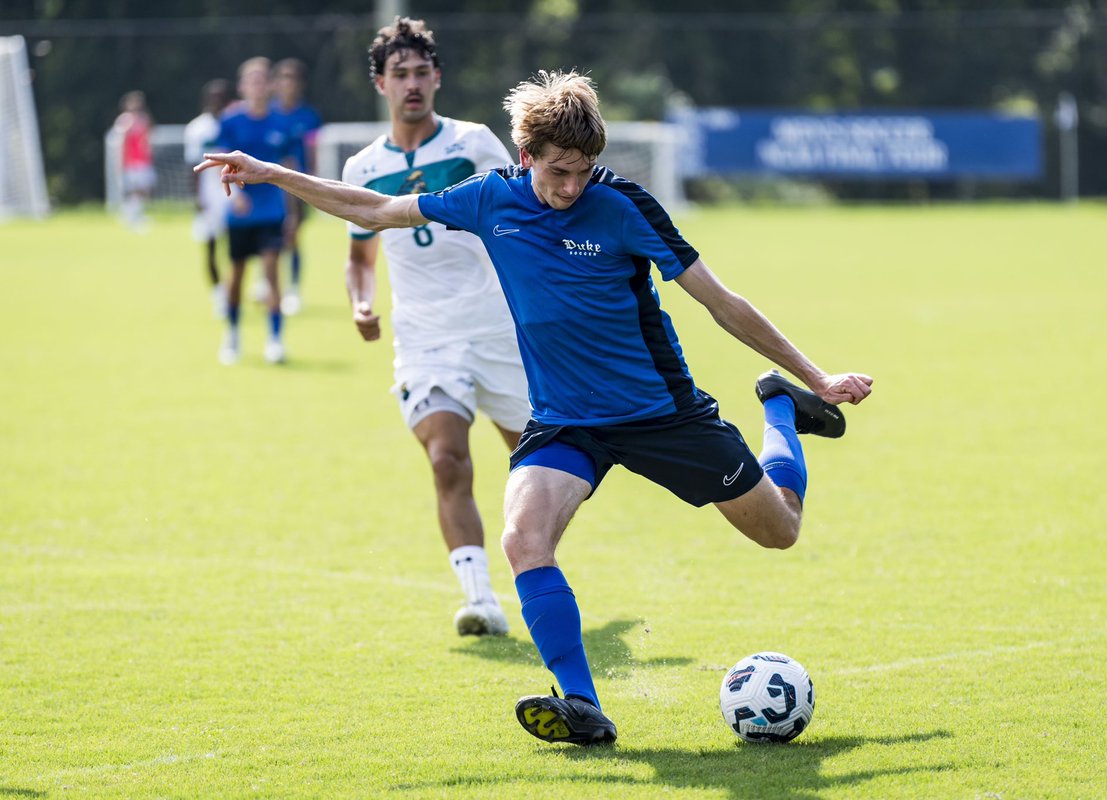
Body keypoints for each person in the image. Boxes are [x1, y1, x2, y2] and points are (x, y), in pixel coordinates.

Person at [196, 70, 873, 746]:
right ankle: (581, 705)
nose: (571, 186)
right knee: (523, 539)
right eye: (557, 171)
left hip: (661, 415)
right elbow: (375, 210)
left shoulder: (624, 206)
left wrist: (815, 374)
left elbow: (722, 303)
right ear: (526, 158)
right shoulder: (491, 200)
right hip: (566, 421)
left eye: (582, 171)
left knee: (780, 530)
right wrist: (271, 173)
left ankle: (782, 408)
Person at [340, 17, 527, 635]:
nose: (412, 84)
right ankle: (481, 600)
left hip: (498, 329)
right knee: (448, 458)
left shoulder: (475, 144)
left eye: (422, 72)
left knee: (541, 464)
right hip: (425, 337)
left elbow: (521, 222)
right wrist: (362, 303)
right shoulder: (363, 168)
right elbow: (359, 258)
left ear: (438, 77)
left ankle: (537, 563)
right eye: (400, 74)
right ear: (381, 84)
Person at [215, 57, 300, 365]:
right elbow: (219, 163)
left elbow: (291, 170)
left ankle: (275, 340)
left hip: (272, 213)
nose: (258, 85)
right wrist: (233, 197)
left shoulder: (283, 122)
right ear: (242, 86)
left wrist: (292, 213)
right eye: (252, 79)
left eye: (263, 79)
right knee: (236, 278)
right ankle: (232, 335)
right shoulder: (230, 121)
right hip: (240, 215)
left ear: (271, 85)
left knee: (271, 274)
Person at [270, 58, 323, 316]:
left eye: (292, 78)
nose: (287, 83)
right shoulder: (268, 113)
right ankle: (268, 284)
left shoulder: (308, 116)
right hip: (269, 187)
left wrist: (311, 184)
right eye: (283, 77)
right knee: (268, 237)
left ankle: (293, 289)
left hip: (297, 186)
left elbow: (312, 152)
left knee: (292, 236)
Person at [184, 79, 233, 317]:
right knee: (211, 247)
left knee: (236, 248)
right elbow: (191, 165)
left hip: (234, 195)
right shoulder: (197, 129)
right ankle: (218, 296)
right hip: (209, 195)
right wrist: (196, 197)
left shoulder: (234, 123)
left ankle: (235, 292)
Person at [113, 91, 155, 232]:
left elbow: (147, 139)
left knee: (143, 190)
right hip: (131, 162)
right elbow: (122, 143)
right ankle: (131, 216)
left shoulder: (144, 119)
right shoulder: (124, 121)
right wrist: (122, 162)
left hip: (143, 161)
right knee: (134, 190)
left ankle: (132, 214)